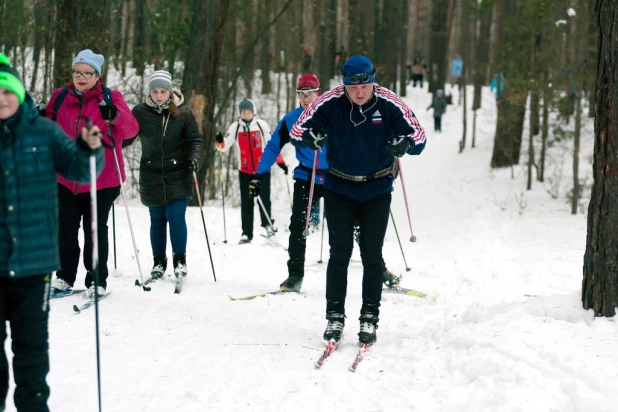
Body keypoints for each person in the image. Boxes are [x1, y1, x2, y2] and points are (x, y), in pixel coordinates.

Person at [290, 55, 426, 345]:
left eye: (365, 85)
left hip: (377, 188)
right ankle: (335, 316)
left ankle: (369, 317)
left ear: (373, 81)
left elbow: (419, 135)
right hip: (339, 186)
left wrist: (407, 144)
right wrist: (311, 138)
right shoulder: (331, 100)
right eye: (353, 87)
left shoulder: (388, 101)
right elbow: (297, 129)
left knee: (371, 255)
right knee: (339, 253)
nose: (360, 92)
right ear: (344, 84)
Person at [0, 53, 103, 412]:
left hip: (33, 263)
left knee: (31, 355)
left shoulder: (43, 132)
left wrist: (91, 149)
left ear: (18, 92)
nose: (1, 97)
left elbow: (81, 168)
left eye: (6, 90)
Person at [46, 49, 139, 297]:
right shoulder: (59, 98)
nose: (82, 77)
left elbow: (131, 130)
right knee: (65, 228)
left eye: (88, 73)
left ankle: (96, 280)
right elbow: (46, 127)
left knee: (94, 229)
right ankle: (64, 276)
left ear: (97, 75)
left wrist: (115, 115)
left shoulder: (111, 98)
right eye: (78, 72)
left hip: (102, 180)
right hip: (66, 178)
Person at [250, 74, 327, 292]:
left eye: (309, 94)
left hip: (332, 176)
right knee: (298, 226)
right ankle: (295, 275)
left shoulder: (331, 116)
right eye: (301, 95)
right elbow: (273, 147)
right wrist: (259, 175)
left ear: (318, 94)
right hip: (305, 175)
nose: (305, 99)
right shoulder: (292, 120)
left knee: (351, 224)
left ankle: (378, 269)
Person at [127, 70, 203, 279]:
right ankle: (158, 262)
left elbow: (195, 140)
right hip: (151, 172)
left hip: (178, 171)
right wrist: (113, 127)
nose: (158, 95)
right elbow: (127, 136)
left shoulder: (183, 113)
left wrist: (195, 158)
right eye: (154, 91)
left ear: (170, 92)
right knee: (157, 218)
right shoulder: (140, 112)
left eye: (163, 91)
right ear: (149, 92)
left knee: (176, 216)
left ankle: (180, 260)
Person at [215, 99, 280, 244]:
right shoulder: (235, 127)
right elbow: (223, 147)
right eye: (243, 112)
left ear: (253, 112)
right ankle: (246, 233)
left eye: (248, 111)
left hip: (262, 169)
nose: (245, 114)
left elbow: (271, 144)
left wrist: (278, 161)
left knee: (264, 198)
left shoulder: (261, 125)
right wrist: (219, 141)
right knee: (247, 202)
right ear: (240, 113)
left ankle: (268, 225)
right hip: (244, 171)